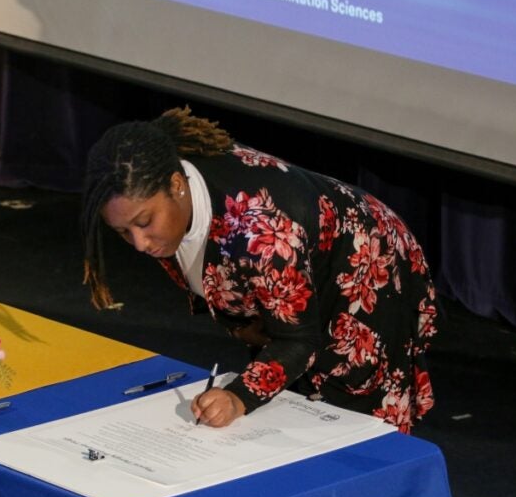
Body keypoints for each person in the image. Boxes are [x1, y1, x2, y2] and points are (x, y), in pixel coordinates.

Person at [80, 107, 438, 432]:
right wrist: (244, 329)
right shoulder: (157, 168)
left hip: (365, 267)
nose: (140, 243)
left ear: (177, 185)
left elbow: (299, 339)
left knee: (352, 421)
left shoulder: (259, 234)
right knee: (289, 398)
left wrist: (238, 397)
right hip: (301, 259)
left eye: (145, 222)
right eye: (123, 232)